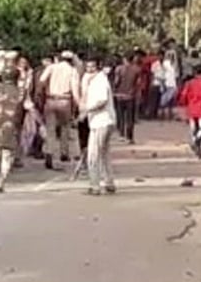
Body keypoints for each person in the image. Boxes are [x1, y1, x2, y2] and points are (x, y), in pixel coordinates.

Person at [38, 51, 81, 169]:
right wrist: (78, 106)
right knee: (65, 127)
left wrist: (41, 95)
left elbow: (41, 82)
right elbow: (75, 90)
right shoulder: (72, 71)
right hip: (65, 101)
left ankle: (49, 151)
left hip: (50, 99)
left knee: (50, 129)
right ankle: (64, 152)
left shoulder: (51, 67)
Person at [83, 57, 117, 195]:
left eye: (92, 67)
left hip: (100, 121)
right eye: (87, 67)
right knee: (104, 154)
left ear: (98, 67)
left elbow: (102, 100)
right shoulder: (95, 80)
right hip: (103, 121)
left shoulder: (100, 80)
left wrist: (87, 110)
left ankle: (95, 185)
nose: (90, 70)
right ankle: (109, 182)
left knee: (93, 155)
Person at [178, 65, 201, 159]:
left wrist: (183, 104)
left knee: (193, 129)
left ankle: (196, 144)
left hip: (192, 109)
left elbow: (183, 95)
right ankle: (196, 143)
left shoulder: (189, 83)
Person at [112, 51, 142, 144]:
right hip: (130, 96)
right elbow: (138, 84)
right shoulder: (136, 69)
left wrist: (114, 90)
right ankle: (130, 137)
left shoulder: (119, 69)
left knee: (120, 116)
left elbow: (116, 82)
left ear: (124, 59)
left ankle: (121, 134)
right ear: (133, 59)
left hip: (119, 95)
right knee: (130, 118)